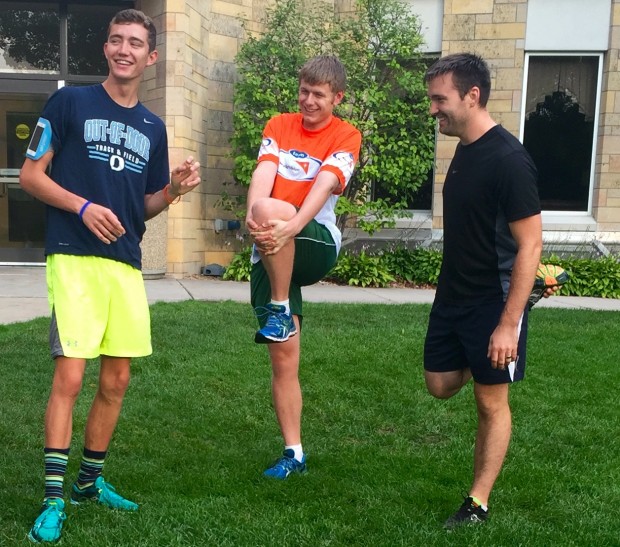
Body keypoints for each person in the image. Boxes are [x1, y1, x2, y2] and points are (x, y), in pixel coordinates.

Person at [19, 9, 200, 543]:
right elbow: (31, 176)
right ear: (106, 49)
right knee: (71, 377)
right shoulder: (70, 101)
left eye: (136, 43)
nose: (125, 49)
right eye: (117, 40)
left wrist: (175, 192)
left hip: (125, 263)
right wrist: (82, 207)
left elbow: (141, 208)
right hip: (74, 254)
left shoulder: (153, 127)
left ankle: (89, 484)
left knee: (116, 380)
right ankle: (54, 499)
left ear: (151, 57)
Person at [422, 53, 543, 528]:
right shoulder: (465, 149)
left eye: (440, 99)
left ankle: (477, 502)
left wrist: (508, 324)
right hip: (453, 296)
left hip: (493, 303)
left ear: (473, 96)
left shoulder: (510, 160)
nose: (434, 109)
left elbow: (530, 243)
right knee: (439, 383)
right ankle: (487, 359)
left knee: (491, 402)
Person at [245, 55, 361, 479]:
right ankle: (293, 453)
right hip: (271, 246)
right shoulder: (279, 125)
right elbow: (263, 173)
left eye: (319, 95)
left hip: (314, 241)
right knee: (284, 359)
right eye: (304, 92)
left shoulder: (346, 135)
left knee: (273, 207)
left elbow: (326, 183)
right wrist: (252, 218)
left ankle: (278, 307)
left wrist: (288, 226)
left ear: (337, 98)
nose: (309, 101)